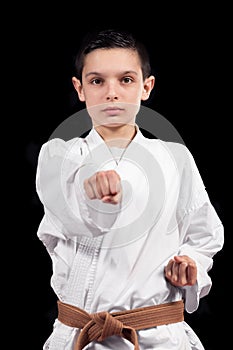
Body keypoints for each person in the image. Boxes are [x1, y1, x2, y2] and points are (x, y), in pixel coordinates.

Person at [36, 28, 224, 350]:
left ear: (146, 87)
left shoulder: (174, 159)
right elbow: (67, 205)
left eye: (126, 80)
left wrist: (190, 266)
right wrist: (90, 190)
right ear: (79, 89)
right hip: (81, 337)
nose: (112, 93)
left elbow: (204, 235)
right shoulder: (61, 157)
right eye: (97, 81)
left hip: (159, 337)